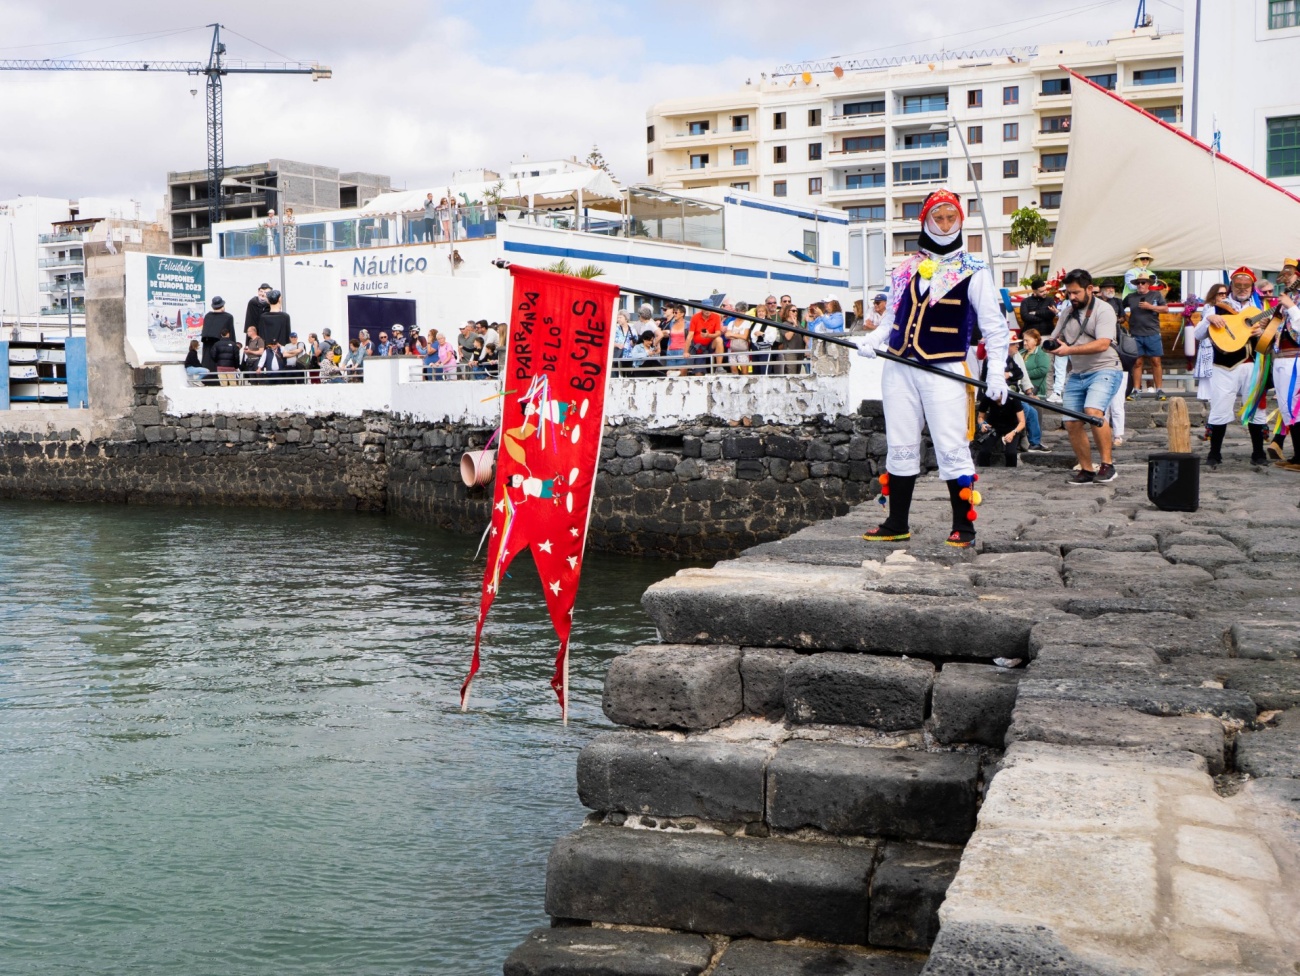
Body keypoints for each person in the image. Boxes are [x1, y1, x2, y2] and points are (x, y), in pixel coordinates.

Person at [857, 188, 1010, 546]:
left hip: (944, 368)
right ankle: (897, 523)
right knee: (900, 445)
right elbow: (892, 317)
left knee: (951, 445)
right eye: (937, 217)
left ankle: (964, 526)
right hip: (898, 366)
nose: (943, 224)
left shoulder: (973, 270)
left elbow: (995, 327)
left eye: (950, 217)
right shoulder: (905, 267)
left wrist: (998, 371)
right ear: (925, 220)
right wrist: (874, 341)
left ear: (959, 220)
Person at [1047, 269, 1125, 485]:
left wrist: (1068, 351)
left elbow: (1102, 343)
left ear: (1090, 289)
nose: (1071, 297)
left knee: (1093, 412)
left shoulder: (1104, 310)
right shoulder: (1067, 311)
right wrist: (1051, 346)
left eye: (1076, 293)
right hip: (1078, 372)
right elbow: (1056, 338)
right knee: (1071, 421)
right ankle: (1087, 469)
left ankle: (1108, 465)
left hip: (1105, 368)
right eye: (1068, 293)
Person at [1196, 267, 1270, 467]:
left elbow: (1272, 339)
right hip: (1224, 366)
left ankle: (1258, 453)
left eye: (1246, 285)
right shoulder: (1217, 307)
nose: (1242, 289)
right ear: (1232, 286)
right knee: (1220, 408)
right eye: (1238, 285)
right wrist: (1208, 319)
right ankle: (1214, 453)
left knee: (1255, 410)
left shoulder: (1261, 307)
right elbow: (1198, 335)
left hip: (1253, 365)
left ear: (1252, 286)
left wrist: (1263, 332)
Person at [1265, 258, 1300, 462]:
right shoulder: (1287, 302)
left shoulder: (1291, 302)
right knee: (1288, 408)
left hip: (1295, 359)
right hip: (1280, 359)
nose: (1285, 280)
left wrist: (1292, 308)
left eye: (1290, 276)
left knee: (1294, 406)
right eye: (1284, 276)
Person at [1123, 273, 1168, 399]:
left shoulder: (1156, 295)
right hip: (1136, 333)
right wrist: (1125, 318)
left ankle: (1159, 389)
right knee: (1137, 362)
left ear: (1148, 284)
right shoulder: (1131, 297)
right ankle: (1136, 390)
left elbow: (1166, 309)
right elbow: (1121, 308)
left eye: (1143, 282)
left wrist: (1150, 307)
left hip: (1152, 332)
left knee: (1156, 361)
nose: (1140, 285)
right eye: (1138, 283)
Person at [975, 364, 1027, 467]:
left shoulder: (1013, 398)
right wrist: (982, 424)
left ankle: (1012, 472)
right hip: (994, 426)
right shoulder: (988, 397)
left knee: (1011, 453)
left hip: (1012, 426)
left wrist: (1013, 432)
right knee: (984, 451)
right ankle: (984, 470)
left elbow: (1022, 422)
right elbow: (980, 417)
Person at [688, 303, 725, 374]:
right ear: (701, 309)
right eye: (705, 308)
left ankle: (719, 367)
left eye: (710, 308)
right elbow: (690, 335)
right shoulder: (695, 317)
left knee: (719, 339)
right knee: (698, 374)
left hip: (710, 345)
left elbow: (718, 333)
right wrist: (686, 351)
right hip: (699, 349)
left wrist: (708, 335)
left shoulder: (717, 317)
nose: (707, 310)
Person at [200, 295, 233, 371]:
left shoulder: (208, 316)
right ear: (222, 306)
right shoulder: (228, 317)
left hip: (208, 348)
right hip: (223, 349)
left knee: (208, 366)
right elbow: (231, 334)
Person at [778, 305, 808, 374]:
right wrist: (794, 326)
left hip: (800, 351)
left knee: (797, 373)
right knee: (791, 373)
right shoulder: (784, 324)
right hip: (790, 352)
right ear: (787, 312)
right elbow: (788, 337)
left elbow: (804, 334)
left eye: (796, 311)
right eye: (793, 311)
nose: (795, 313)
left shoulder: (798, 323)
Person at [723, 302, 751, 374]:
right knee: (734, 370)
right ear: (736, 310)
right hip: (732, 349)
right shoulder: (731, 323)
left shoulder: (747, 322)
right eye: (740, 310)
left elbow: (745, 337)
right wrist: (738, 335)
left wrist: (732, 334)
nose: (742, 313)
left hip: (743, 349)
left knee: (745, 371)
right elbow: (727, 335)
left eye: (743, 311)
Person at [663, 304, 689, 375]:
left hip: (682, 351)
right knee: (671, 375)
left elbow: (689, 338)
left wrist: (687, 350)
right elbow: (670, 338)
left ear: (682, 314)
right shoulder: (672, 323)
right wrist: (668, 349)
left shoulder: (687, 324)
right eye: (673, 312)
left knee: (682, 374)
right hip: (671, 351)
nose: (674, 314)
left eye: (676, 312)